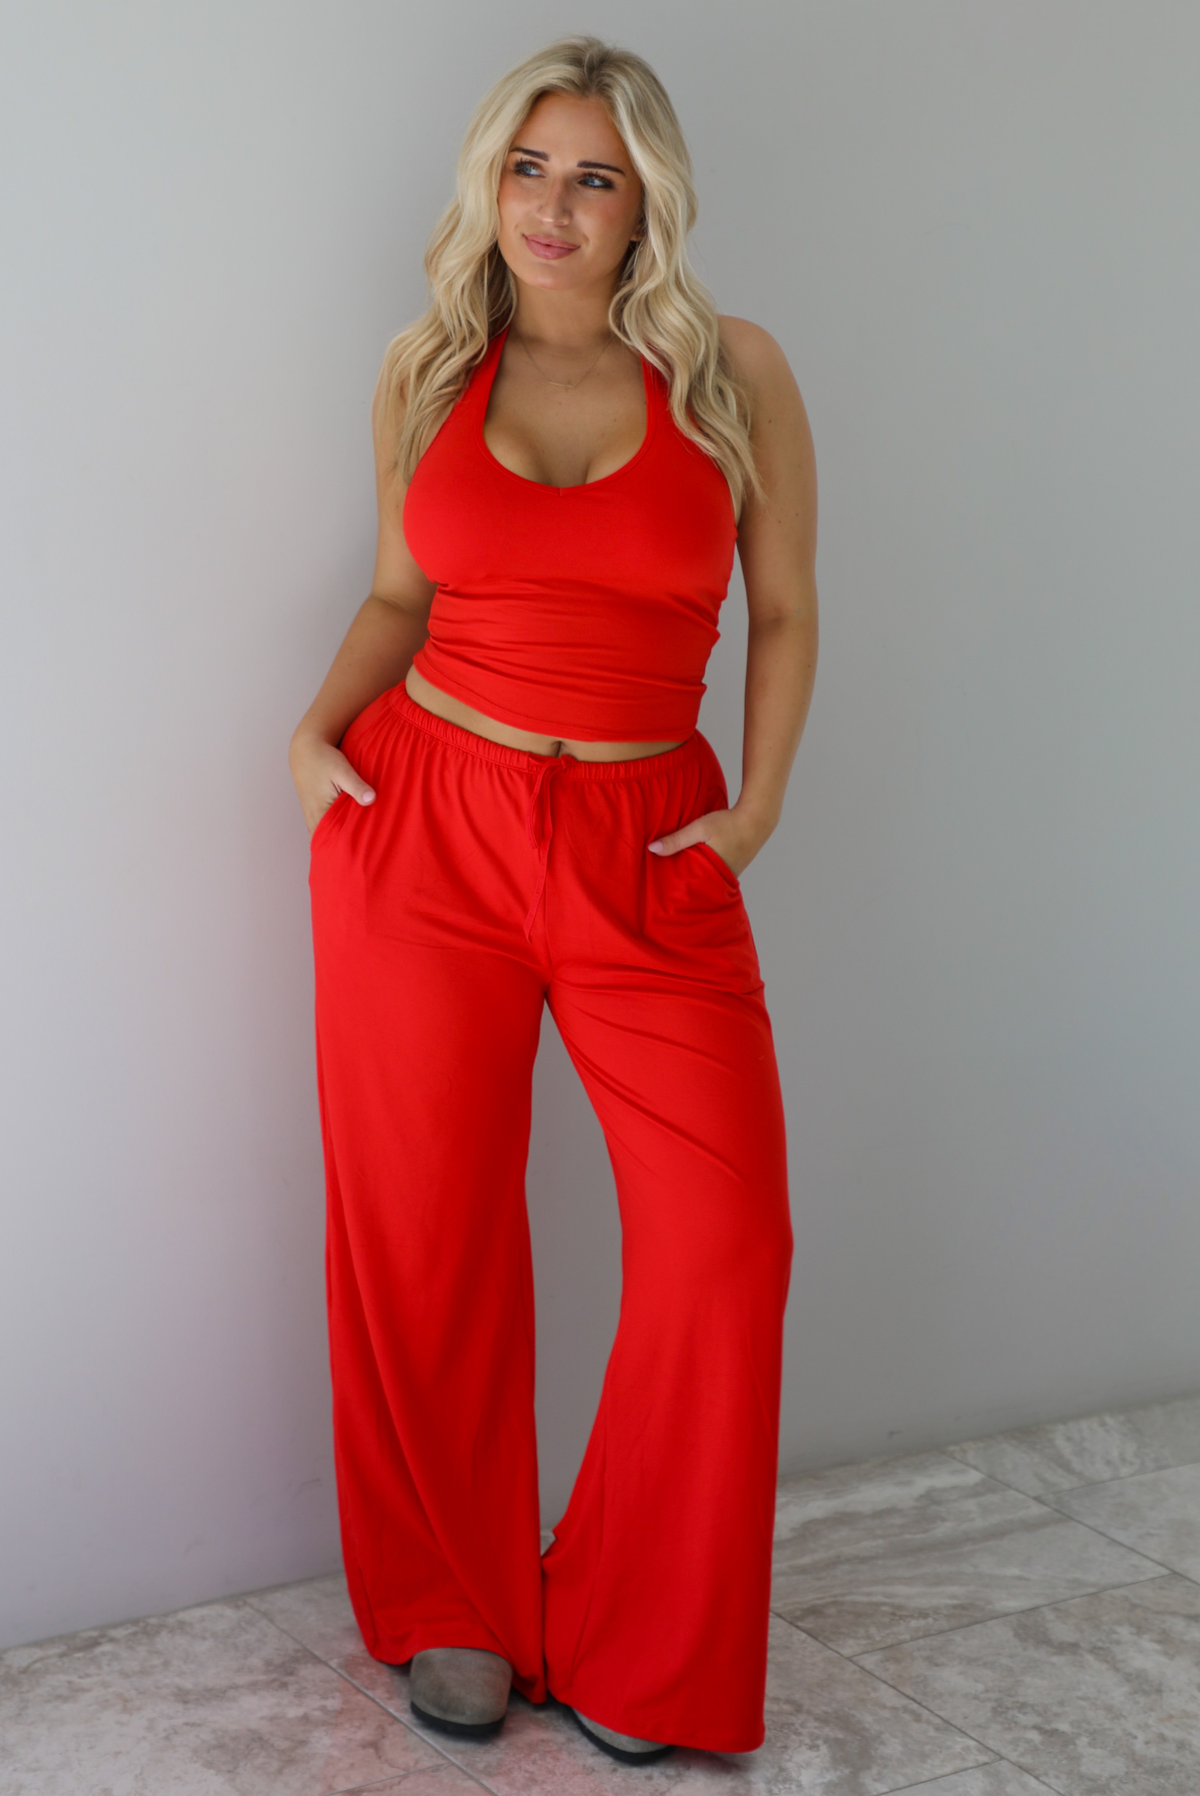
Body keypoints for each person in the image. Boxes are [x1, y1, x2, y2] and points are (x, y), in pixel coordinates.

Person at [289, 34, 817, 1767]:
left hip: (650, 844)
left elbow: (785, 611)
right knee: (424, 1235)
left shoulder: (733, 373)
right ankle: (455, 1602)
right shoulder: (428, 369)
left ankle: (635, 1638)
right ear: (489, 184)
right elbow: (399, 596)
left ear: (646, 198)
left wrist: (749, 819)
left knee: (727, 1241)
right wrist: (312, 733)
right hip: (425, 822)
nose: (556, 206)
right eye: (530, 168)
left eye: (596, 176)